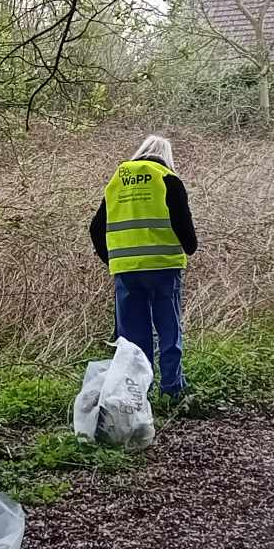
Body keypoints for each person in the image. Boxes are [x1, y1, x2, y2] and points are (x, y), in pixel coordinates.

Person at [89, 134, 197, 400]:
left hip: (126, 270)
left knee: (133, 338)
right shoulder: (167, 178)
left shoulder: (117, 180)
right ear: (167, 156)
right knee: (169, 329)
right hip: (162, 267)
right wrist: (190, 246)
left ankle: (137, 395)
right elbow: (182, 222)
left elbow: (95, 228)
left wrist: (112, 258)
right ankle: (172, 390)